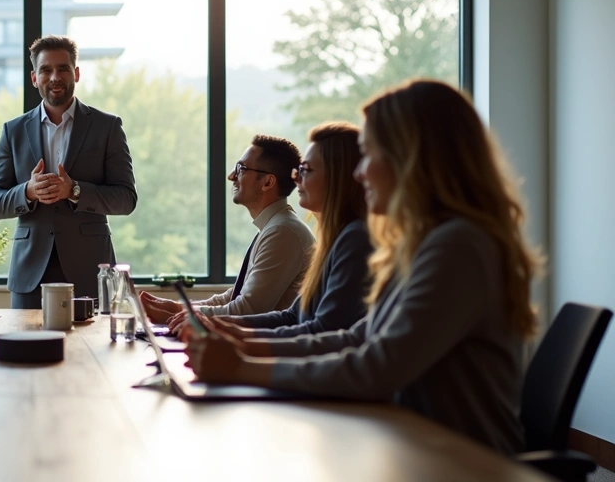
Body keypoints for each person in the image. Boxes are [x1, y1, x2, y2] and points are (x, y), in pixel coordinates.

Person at [185, 80, 540, 455]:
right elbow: (358, 337)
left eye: (370, 154)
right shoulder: (420, 243)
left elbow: (377, 367)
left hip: (461, 462)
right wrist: (245, 343)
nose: (359, 172)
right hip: (413, 445)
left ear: (412, 157)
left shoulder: (458, 246)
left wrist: (242, 367)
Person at [170, 123, 371, 341]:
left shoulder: (348, 238)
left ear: (337, 178)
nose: (297, 178)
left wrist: (240, 353)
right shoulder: (332, 239)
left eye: (306, 170)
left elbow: (322, 333)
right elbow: (292, 316)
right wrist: (214, 322)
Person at [0, 35, 138, 308]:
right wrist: (28, 192)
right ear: (34, 78)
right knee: (25, 350)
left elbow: (126, 199)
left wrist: (75, 190)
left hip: (89, 273)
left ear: (76, 73)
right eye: (46, 70)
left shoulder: (107, 127)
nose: (55, 76)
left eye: (63, 68)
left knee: (91, 351)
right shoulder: (13, 131)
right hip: (29, 274)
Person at [142, 134, 312, 320]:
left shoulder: (283, 233)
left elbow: (246, 311)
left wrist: (179, 315)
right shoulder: (276, 227)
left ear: (268, 182)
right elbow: (235, 296)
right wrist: (177, 307)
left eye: (241, 168)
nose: (231, 176)